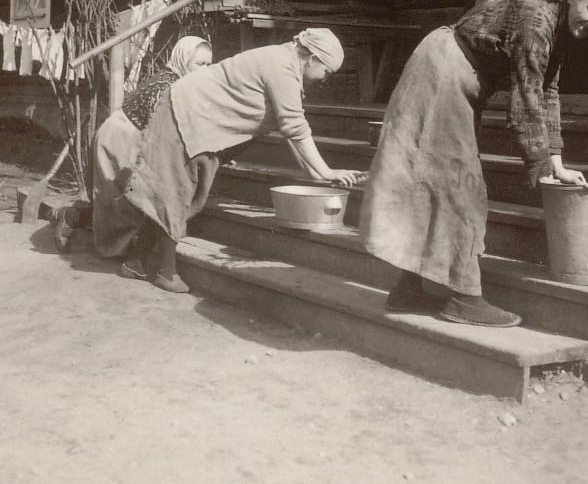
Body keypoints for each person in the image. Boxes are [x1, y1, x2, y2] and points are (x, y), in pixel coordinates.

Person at [359, 0, 588, 327]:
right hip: (444, 73)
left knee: (440, 179)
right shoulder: (537, 20)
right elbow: (527, 99)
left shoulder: (557, 26)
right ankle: (464, 298)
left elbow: (547, 91)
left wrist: (556, 160)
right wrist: (539, 163)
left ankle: (411, 287)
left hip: (449, 71)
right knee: (460, 185)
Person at [122, 27, 365, 293]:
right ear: (312, 58)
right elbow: (295, 126)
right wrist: (327, 171)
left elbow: (290, 131)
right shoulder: (281, 66)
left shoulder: (284, 62)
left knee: (180, 194)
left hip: (195, 116)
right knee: (176, 192)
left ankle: (134, 260)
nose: (324, 78)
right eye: (326, 71)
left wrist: (317, 174)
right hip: (185, 113)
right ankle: (166, 272)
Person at [53, 36, 213, 272]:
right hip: (119, 139)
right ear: (183, 59)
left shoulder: (180, 82)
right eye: (199, 64)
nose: (205, 71)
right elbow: (165, 130)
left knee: (128, 201)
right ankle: (72, 218)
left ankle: (86, 223)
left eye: (209, 65)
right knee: (126, 200)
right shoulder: (169, 85)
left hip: (133, 137)